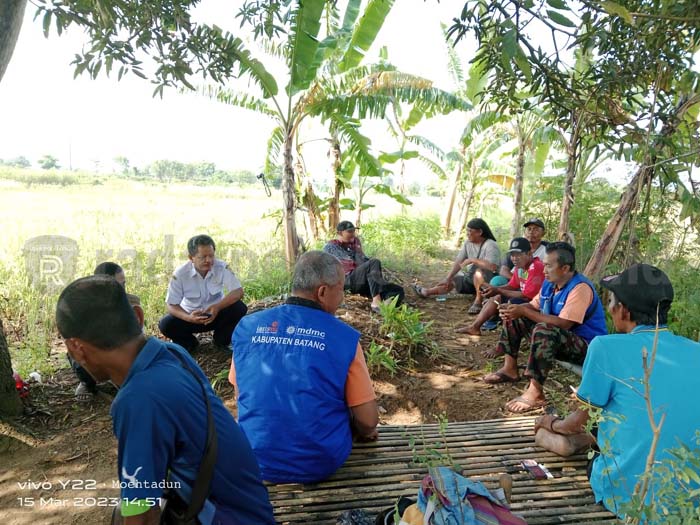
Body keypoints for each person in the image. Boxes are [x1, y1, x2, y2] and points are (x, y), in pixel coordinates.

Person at [56, 276, 275, 525]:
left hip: (227, 517)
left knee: (124, 514)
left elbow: (141, 513)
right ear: (138, 317)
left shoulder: (138, 400)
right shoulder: (171, 353)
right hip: (249, 510)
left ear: (76, 348)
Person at [533, 264, 700, 520]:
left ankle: (570, 444)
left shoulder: (605, 347)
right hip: (689, 498)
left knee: (552, 436)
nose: (609, 309)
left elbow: (576, 423)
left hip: (630, 495)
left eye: (610, 301)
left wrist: (550, 422)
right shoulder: (695, 350)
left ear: (623, 310)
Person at [229, 251, 379, 484]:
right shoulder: (343, 338)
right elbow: (368, 421)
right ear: (322, 292)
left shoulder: (248, 327)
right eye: (341, 289)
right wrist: (364, 431)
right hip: (319, 463)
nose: (343, 297)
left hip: (254, 457)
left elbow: (240, 394)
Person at [482, 242, 607, 413]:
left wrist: (523, 311)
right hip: (560, 338)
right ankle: (509, 369)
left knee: (544, 329)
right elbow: (533, 305)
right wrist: (513, 310)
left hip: (586, 347)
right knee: (516, 316)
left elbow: (564, 324)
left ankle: (535, 392)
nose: (544, 269)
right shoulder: (550, 284)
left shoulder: (580, 288)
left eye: (548, 265)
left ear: (564, 268)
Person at [159, 235, 247, 352]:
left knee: (239, 308)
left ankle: (221, 340)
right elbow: (171, 305)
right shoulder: (180, 274)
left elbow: (238, 291)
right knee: (166, 324)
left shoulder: (221, 267)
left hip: (216, 314)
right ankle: (190, 343)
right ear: (191, 258)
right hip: (191, 317)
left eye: (211, 255)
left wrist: (217, 307)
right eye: (203, 257)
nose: (208, 260)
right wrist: (188, 317)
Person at [70, 261, 142, 402]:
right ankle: (87, 383)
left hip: (123, 350)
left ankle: (124, 380)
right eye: (117, 285)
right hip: (96, 349)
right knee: (78, 351)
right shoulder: (83, 304)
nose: (122, 289)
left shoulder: (131, 302)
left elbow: (138, 337)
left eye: (123, 284)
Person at [455, 238, 544, 344]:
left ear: (529, 253)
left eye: (518, 255)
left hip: (534, 305)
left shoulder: (536, 267)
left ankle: (507, 343)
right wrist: (494, 289)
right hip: (526, 299)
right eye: (512, 255)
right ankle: (475, 327)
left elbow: (527, 295)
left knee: (507, 303)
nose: (514, 258)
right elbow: (512, 285)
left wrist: (498, 290)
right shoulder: (520, 267)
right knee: (496, 297)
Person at [414, 218, 500, 314]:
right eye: (467, 231)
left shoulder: (491, 245)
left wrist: (472, 260)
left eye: (470, 231)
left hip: (487, 283)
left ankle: (478, 301)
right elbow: (459, 261)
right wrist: (448, 277)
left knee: (478, 272)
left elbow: (493, 267)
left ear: (479, 232)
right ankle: (427, 292)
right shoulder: (467, 243)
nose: (467, 233)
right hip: (471, 280)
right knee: (453, 279)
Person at [322, 220, 404, 314]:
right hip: (347, 280)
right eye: (349, 232)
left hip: (361, 281)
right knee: (374, 262)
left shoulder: (354, 243)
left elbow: (364, 261)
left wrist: (360, 253)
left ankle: (383, 307)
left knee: (398, 290)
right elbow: (347, 263)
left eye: (353, 231)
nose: (353, 234)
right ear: (339, 233)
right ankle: (376, 302)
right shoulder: (331, 246)